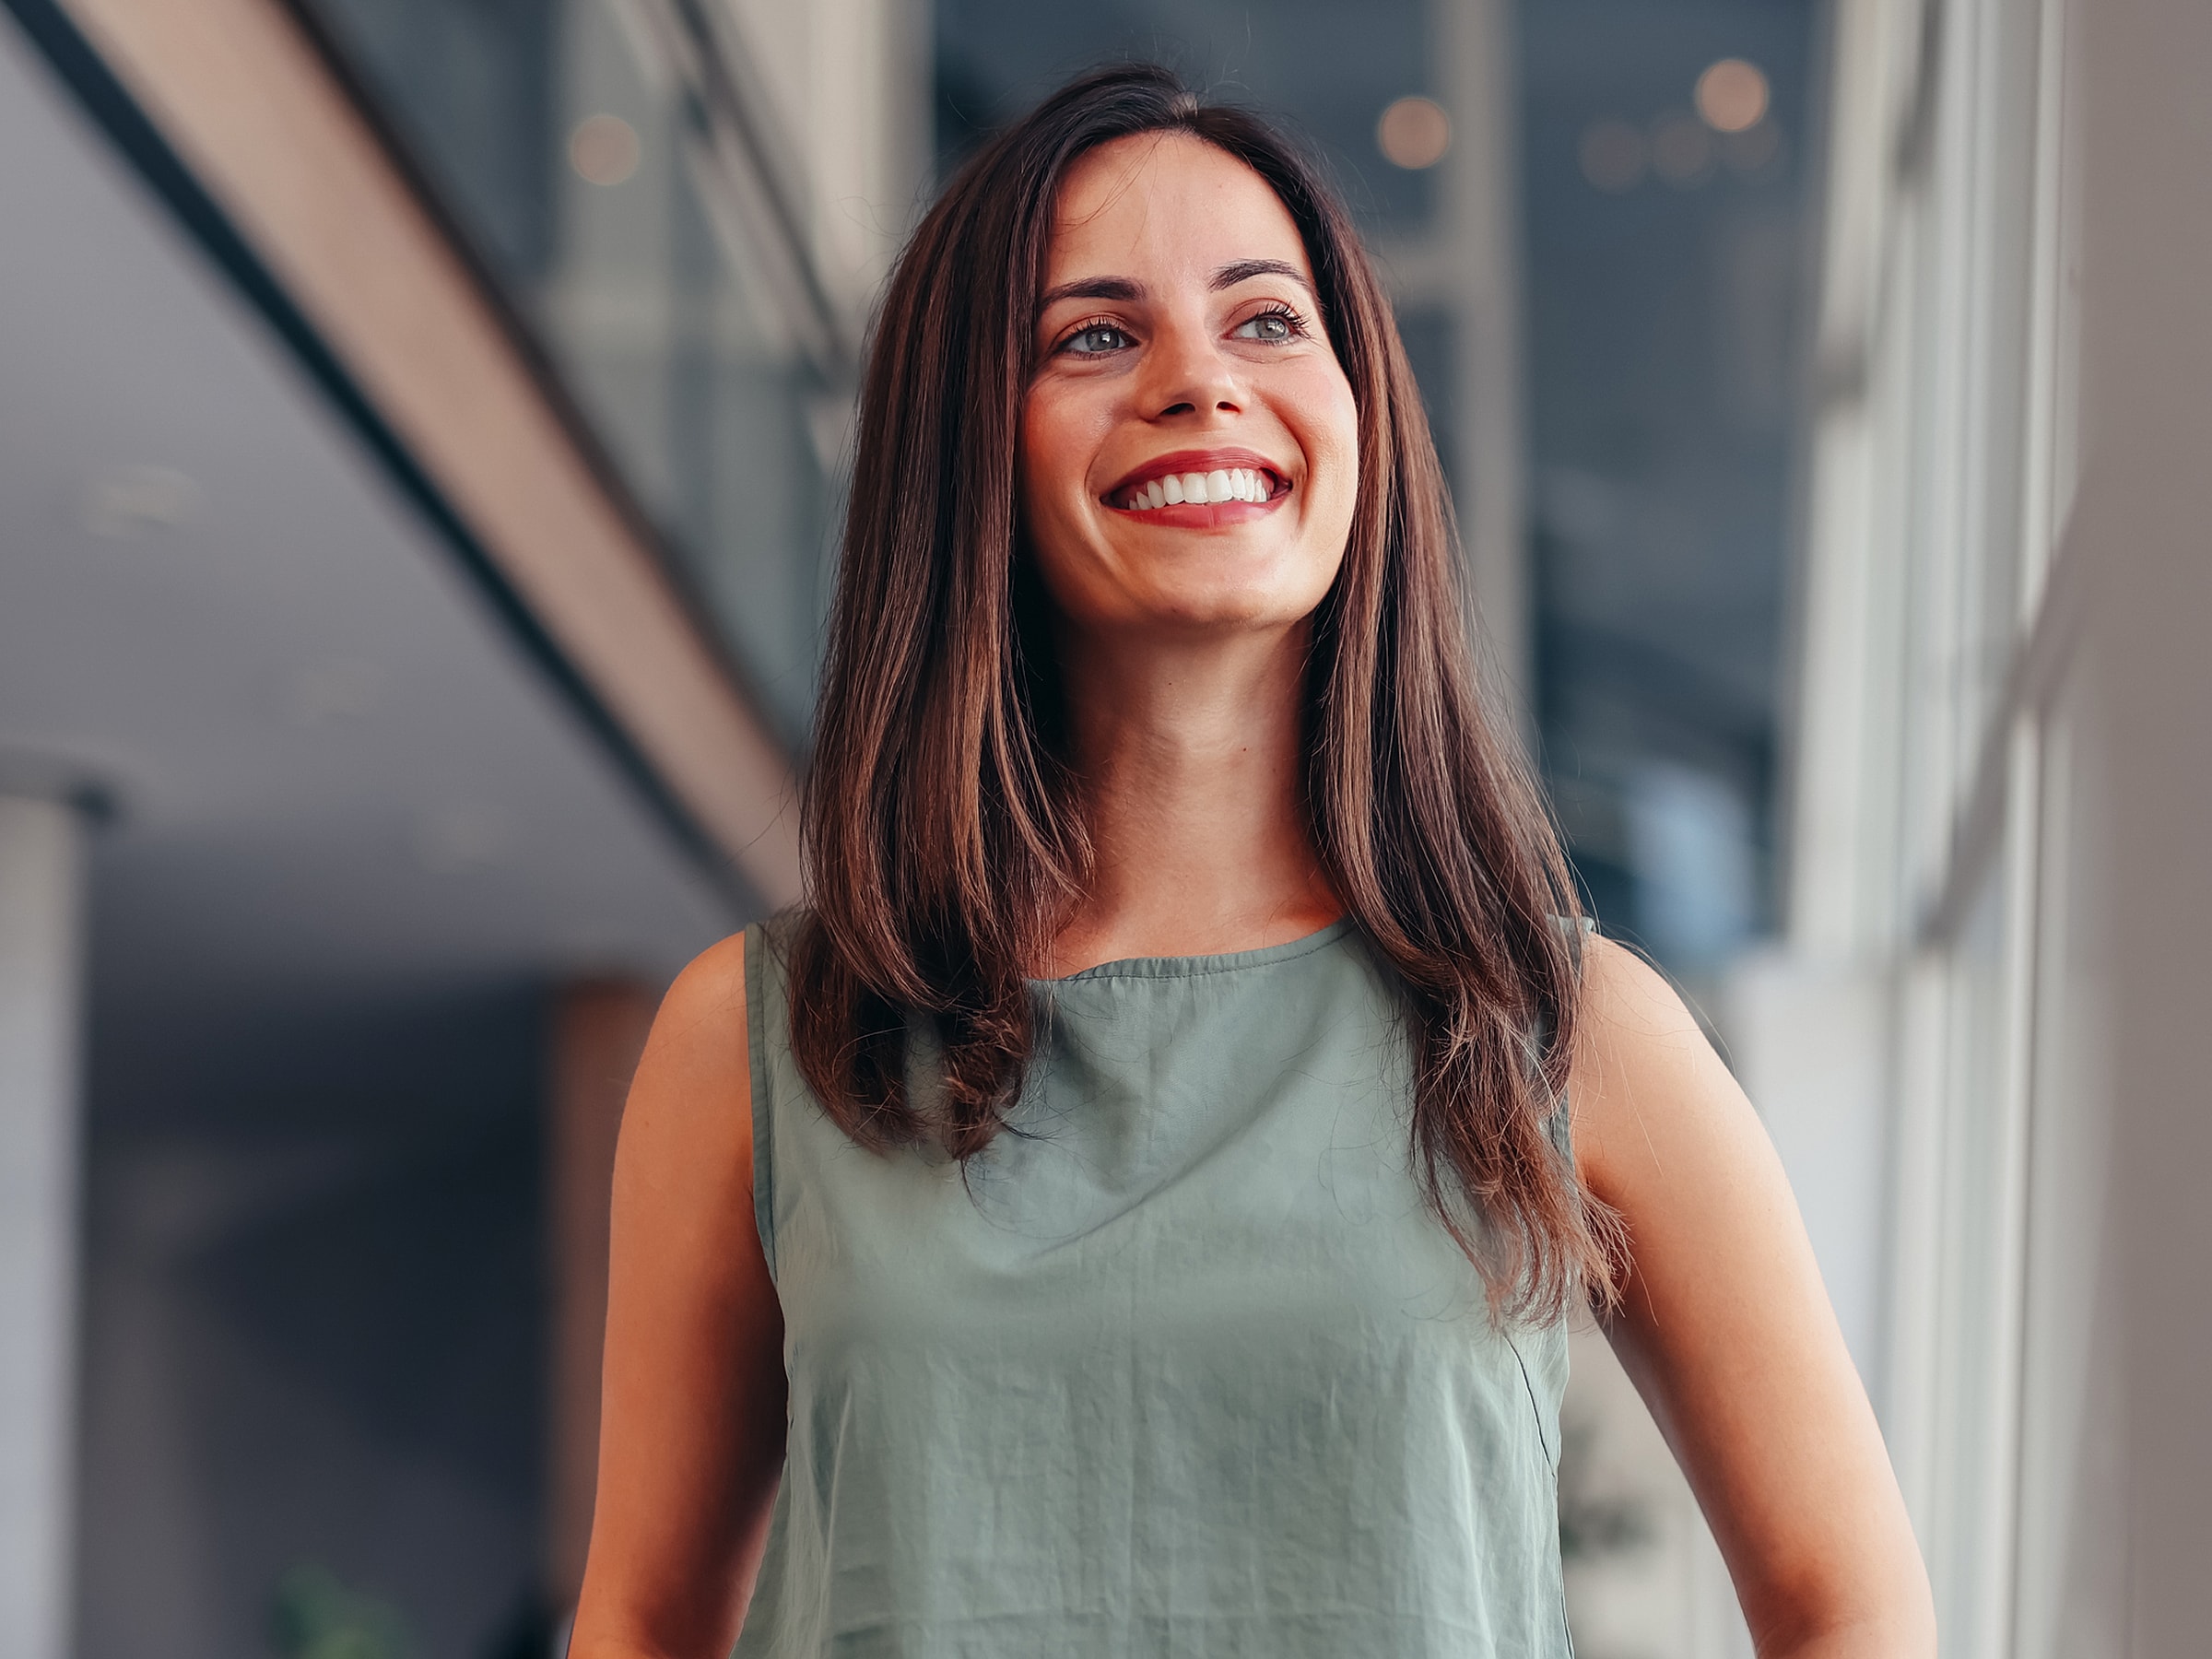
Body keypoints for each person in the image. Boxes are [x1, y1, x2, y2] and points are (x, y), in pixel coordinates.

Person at [568, 64, 1935, 1659]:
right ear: (965, 450)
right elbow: (646, 1619)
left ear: (1358, 410)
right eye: (1094, 333)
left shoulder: (1563, 1024)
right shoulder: (761, 1043)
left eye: (1268, 320)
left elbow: (1851, 1601)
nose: (1199, 382)